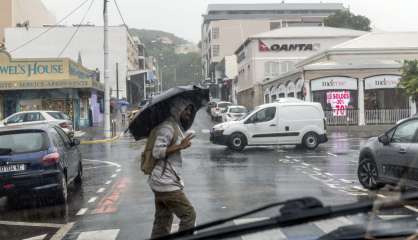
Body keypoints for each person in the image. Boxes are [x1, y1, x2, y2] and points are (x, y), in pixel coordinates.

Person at [149, 97, 197, 238]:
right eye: (186, 109)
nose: (189, 112)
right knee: (189, 214)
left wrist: (181, 144)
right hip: (165, 182)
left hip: (160, 181)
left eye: (190, 109)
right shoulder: (168, 127)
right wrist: (180, 146)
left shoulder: (174, 126)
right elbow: (157, 152)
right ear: (178, 109)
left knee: (163, 220)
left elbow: (170, 149)